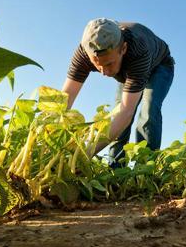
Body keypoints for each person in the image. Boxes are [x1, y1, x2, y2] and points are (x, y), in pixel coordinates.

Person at [62, 18, 175, 166]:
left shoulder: (138, 49)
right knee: (116, 116)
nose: (104, 72)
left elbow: (126, 112)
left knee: (149, 110)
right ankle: (115, 170)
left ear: (123, 49)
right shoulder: (83, 53)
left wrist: (86, 154)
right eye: (98, 65)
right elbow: (64, 99)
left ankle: (145, 171)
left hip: (159, 66)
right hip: (128, 71)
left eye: (109, 63)